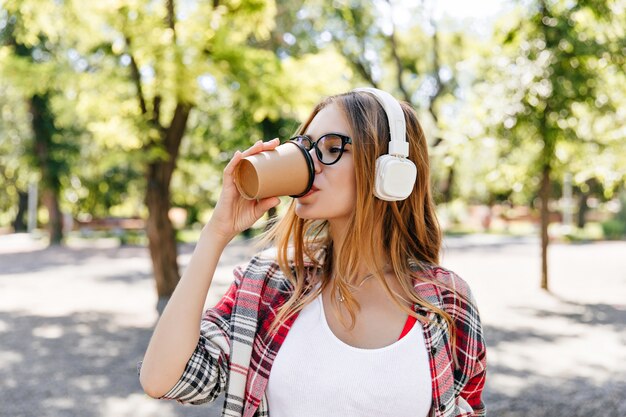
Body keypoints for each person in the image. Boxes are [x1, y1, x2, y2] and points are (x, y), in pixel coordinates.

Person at [138, 89, 487, 417]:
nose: (310, 164)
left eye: (332, 147)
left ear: (390, 170)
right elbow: (164, 380)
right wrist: (215, 233)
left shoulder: (447, 300)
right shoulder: (268, 285)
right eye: (305, 147)